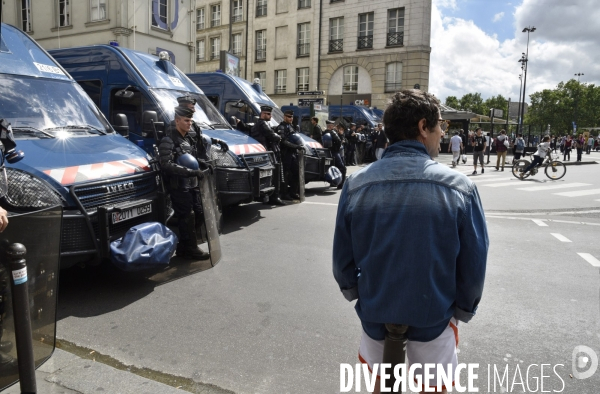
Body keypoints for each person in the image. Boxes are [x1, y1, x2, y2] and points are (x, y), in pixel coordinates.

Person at [333, 90, 488, 394]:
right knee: (433, 388)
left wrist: (358, 294)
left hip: (376, 312)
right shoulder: (460, 187)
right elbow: (474, 263)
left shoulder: (356, 184)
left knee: (381, 384)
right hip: (434, 316)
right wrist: (462, 309)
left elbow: (343, 260)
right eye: (440, 126)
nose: (442, 134)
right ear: (422, 127)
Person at [158, 105, 210, 259]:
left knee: (199, 213)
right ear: (177, 121)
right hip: (178, 186)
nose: (189, 123)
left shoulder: (187, 139)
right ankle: (190, 248)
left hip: (192, 184)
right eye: (186, 120)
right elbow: (166, 164)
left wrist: (202, 163)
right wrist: (190, 172)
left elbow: (190, 158)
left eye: (191, 120)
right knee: (187, 215)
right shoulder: (168, 140)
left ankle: (184, 246)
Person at [235, 105, 285, 205]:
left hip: (262, 152)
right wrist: (279, 137)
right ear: (263, 114)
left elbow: (249, 128)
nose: (270, 116)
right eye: (268, 114)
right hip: (268, 152)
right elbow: (272, 135)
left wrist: (240, 123)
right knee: (275, 173)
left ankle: (270, 196)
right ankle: (274, 197)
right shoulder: (263, 124)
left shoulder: (259, 123)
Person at [276, 110, 305, 200]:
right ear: (284, 117)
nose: (291, 118)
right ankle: (284, 194)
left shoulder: (292, 127)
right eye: (289, 117)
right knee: (285, 174)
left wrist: (297, 146)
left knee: (296, 172)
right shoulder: (281, 127)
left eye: (292, 117)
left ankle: (293, 192)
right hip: (285, 153)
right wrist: (296, 146)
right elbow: (283, 142)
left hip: (292, 153)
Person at [323, 120, 346, 189]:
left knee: (331, 168)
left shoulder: (324, 132)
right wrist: (337, 148)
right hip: (334, 152)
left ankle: (333, 183)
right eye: (332, 125)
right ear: (331, 126)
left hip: (326, 152)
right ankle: (341, 184)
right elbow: (339, 141)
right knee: (342, 168)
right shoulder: (332, 132)